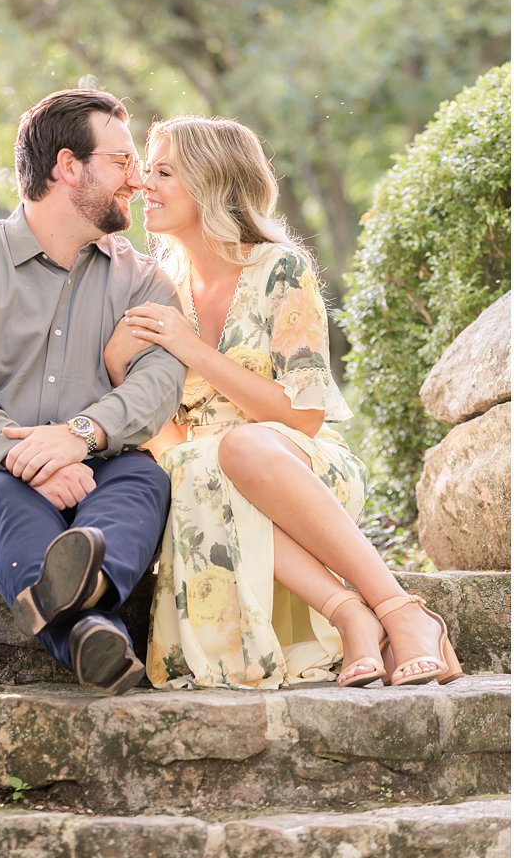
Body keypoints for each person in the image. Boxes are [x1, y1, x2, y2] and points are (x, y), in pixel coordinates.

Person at [107, 114, 462, 690]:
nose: (145, 184)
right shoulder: (156, 285)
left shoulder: (280, 269)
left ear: (211, 181)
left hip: (298, 463)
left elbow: (303, 413)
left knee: (239, 448)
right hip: (203, 478)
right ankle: (352, 616)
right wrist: (117, 366)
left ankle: (400, 609)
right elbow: (163, 433)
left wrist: (192, 350)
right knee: (196, 465)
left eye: (163, 171)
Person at [0, 88, 186, 694]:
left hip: (97, 475)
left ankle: (84, 628)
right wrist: (25, 460)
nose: (137, 182)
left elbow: (158, 387)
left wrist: (77, 437)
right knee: (6, 499)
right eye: (121, 162)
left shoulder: (143, 282)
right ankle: (90, 626)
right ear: (67, 166)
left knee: (144, 481)